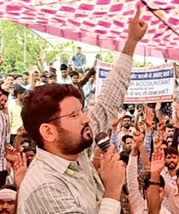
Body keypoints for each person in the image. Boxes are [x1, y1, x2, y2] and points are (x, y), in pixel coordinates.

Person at [17, 7, 148, 214]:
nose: (86, 118)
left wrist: (131, 42)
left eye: (83, 111)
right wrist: (113, 190)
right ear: (49, 132)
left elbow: (108, 102)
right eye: (75, 115)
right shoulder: (45, 188)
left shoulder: (74, 149)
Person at [0, 89, 9, 187]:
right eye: (1, 100)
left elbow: (6, 141)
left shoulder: (4, 117)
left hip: (2, 165)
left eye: (5, 101)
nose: (3, 103)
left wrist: (8, 162)